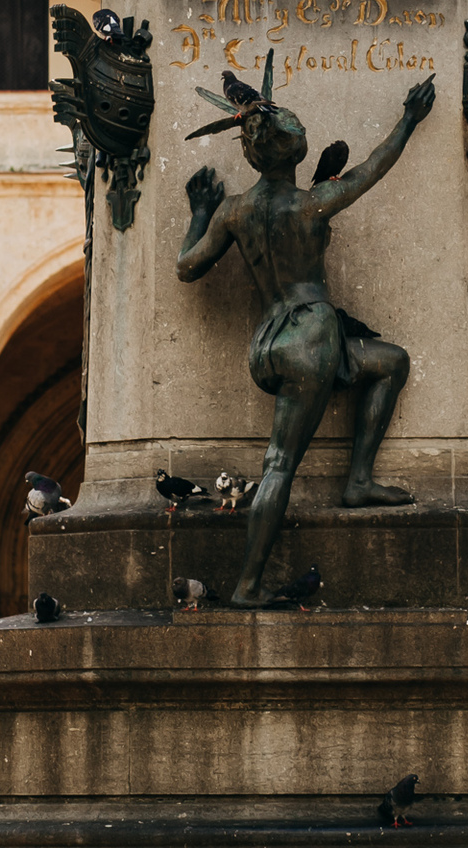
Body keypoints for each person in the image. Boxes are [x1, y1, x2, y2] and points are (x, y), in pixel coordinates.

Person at [178, 76, 435, 603]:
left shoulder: (233, 210)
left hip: (270, 342)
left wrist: (199, 212)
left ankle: (358, 481)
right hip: (312, 334)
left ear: (250, 152)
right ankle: (248, 585)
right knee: (279, 465)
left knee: (391, 362)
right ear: (296, 151)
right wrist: (409, 119)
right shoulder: (310, 204)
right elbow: (373, 167)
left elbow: (187, 266)